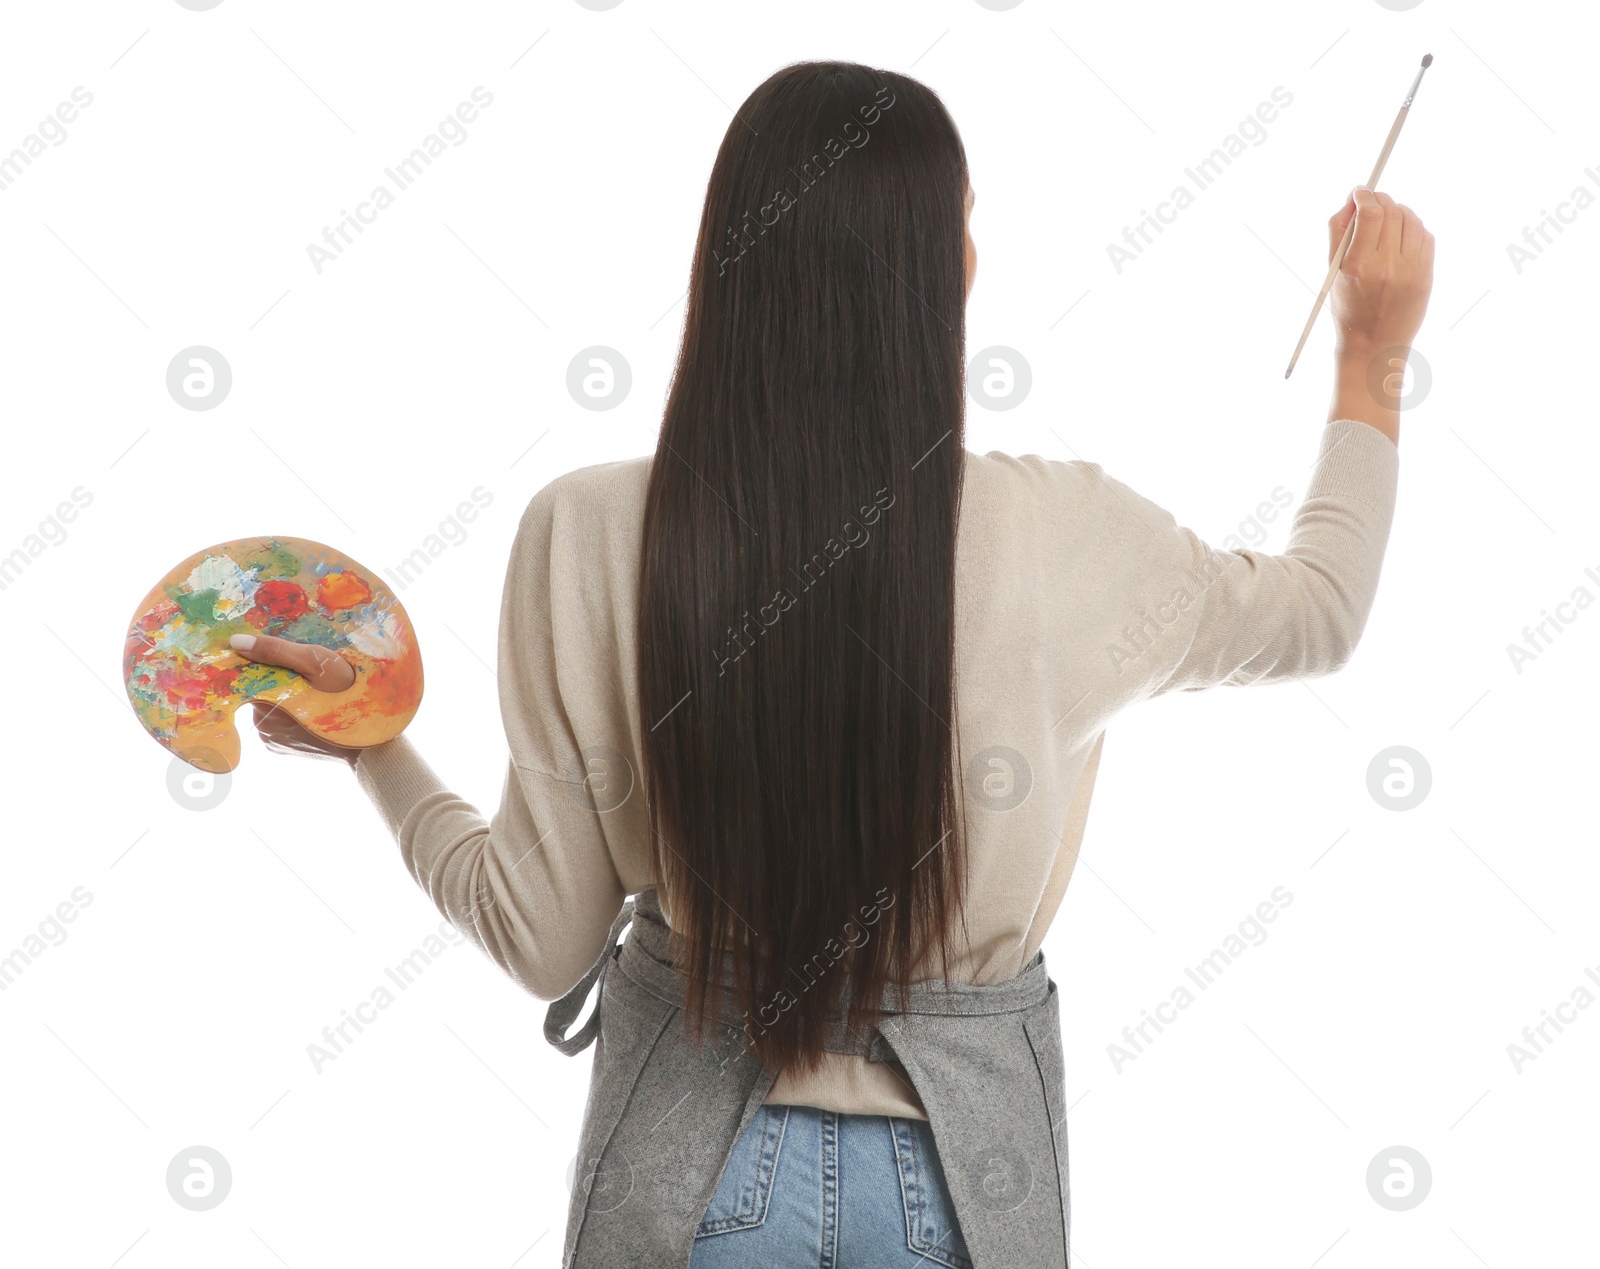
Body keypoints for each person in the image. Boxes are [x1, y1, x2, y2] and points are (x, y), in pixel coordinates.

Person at [237, 61, 1433, 1268]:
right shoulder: (1075, 534)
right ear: (946, 275)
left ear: (728, 260)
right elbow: (1319, 611)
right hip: (968, 1186)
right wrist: (1370, 352)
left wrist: (377, 748)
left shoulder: (586, 532)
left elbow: (543, 938)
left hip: (686, 1177)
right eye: (965, 225)